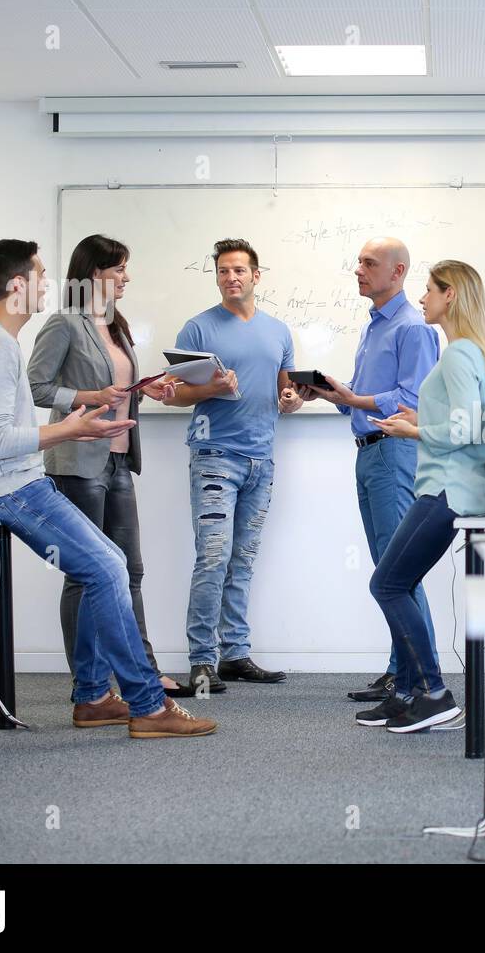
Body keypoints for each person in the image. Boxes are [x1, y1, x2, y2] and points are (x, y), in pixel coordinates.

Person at [0, 239, 215, 738]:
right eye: (40, 274)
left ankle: (94, 697)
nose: (48, 283)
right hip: (8, 487)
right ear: (16, 286)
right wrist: (72, 429)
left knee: (111, 566)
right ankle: (147, 705)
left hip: (18, 481)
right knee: (108, 568)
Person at [28, 234, 184, 697]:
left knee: (129, 570)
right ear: (95, 272)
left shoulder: (116, 324)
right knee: (85, 574)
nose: (126, 277)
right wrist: (87, 398)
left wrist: (147, 389)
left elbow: (117, 386)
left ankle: (144, 672)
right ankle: (90, 688)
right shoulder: (65, 324)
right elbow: (36, 387)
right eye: (119, 269)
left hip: (118, 462)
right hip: (77, 462)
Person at [352, 260, 485, 733]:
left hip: (445, 488)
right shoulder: (474, 353)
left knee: (388, 584)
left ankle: (434, 694)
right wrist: (415, 422)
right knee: (395, 582)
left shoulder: (459, 355)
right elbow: (471, 425)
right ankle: (414, 692)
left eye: (430, 291)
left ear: (451, 295)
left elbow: (463, 430)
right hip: (454, 486)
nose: (422, 299)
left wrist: (412, 429)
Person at [296, 237, 440, 703]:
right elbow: (369, 397)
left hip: (395, 454)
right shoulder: (374, 326)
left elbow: (412, 402)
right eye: (358, 261)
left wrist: (354, 397)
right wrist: (339, 395)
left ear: (398, 272)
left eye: (369, 263)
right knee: (388, 567)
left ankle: (423, 679)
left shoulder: (412, 327)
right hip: (369, 452)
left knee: (400, 571)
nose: (358, 269)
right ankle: (402, 670)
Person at [163, 238, 304, 694]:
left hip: (261, 461)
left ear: (256, 276)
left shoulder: (278, 331)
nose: (231, 278)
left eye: (239, 270)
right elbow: (176, 394)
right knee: (213, 557)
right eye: (223, 271)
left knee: (241, 561)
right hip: (214, 457)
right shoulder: (198, 330)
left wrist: (293, 399)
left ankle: (235, 655)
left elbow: (287, 395)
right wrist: (214, 388)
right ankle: (202, 660)